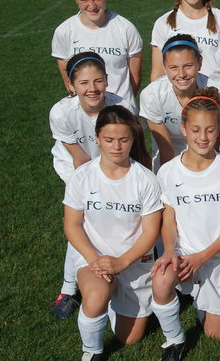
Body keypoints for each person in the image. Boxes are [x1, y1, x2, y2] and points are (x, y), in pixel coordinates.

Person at [63, 105, 162, 360]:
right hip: (93, 259)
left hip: (132, 261)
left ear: (133, 139)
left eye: (123, 140)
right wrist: (95, 261)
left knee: (129, 339)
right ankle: (92, 351)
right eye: (109, 140)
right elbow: (72, 225)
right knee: (97, 293)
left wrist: (121, 262)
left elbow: (151, 232)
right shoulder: (82, 176)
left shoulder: (146, 179)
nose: (116, 146)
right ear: (97, 138)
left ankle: (111, 303)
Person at [151, 87, 220, 360]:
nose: (203, 137)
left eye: (210, 130)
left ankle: (207, 297)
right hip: (183, 256)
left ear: (219, 129)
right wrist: (170, 250)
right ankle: (174, 339)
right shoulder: (168, 171)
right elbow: (168, 220)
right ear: (183, 128)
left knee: (214, 334)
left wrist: (201, 258)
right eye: (195, 130)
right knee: (161, 280)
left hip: (218, 257)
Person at [49, 52, 136, 320]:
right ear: (71, 85)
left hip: (112, 161)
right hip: (76, 166)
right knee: (83, 219)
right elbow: (80, 160)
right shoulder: (61, 113)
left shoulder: (122, 107)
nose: (92, 88)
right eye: (84, 83)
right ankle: (68, 289)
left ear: (107, 80)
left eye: (98, 81)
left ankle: (114, 276)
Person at [52, 0, 142, 110]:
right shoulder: (64, 32)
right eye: (84, 0)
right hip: (85, 113)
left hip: (121, 113)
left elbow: (134, 80)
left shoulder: (126, 29)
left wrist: (119, 107)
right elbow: (69, 81)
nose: (92, 6)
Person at [140, 34, 220, 172]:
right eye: (173, 67)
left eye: (188, 66)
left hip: (207, 155)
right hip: (169, 160)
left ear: (200, 63)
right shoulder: (152, 96)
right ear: (164, 67)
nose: (181, 74)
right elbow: (166, 149)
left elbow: (213, 144)